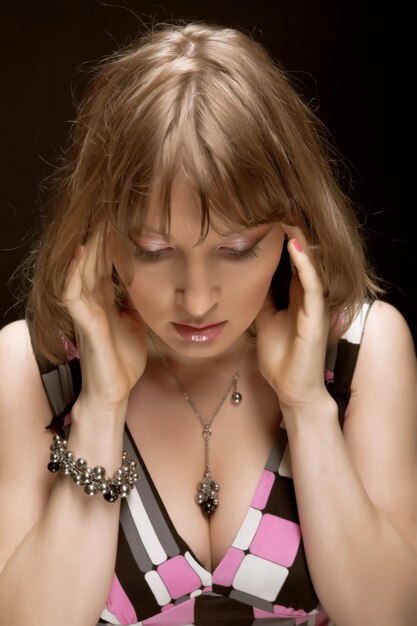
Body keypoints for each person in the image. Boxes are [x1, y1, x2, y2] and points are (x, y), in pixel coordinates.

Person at [0, 21, 416, 626]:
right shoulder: (28, 370)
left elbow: (391, 616)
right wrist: (100, 407)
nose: (196, 301)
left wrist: (305, 406)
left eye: (237, 249)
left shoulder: (364, 354)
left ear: (294, 229)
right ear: (98, 235)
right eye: (153, 249)